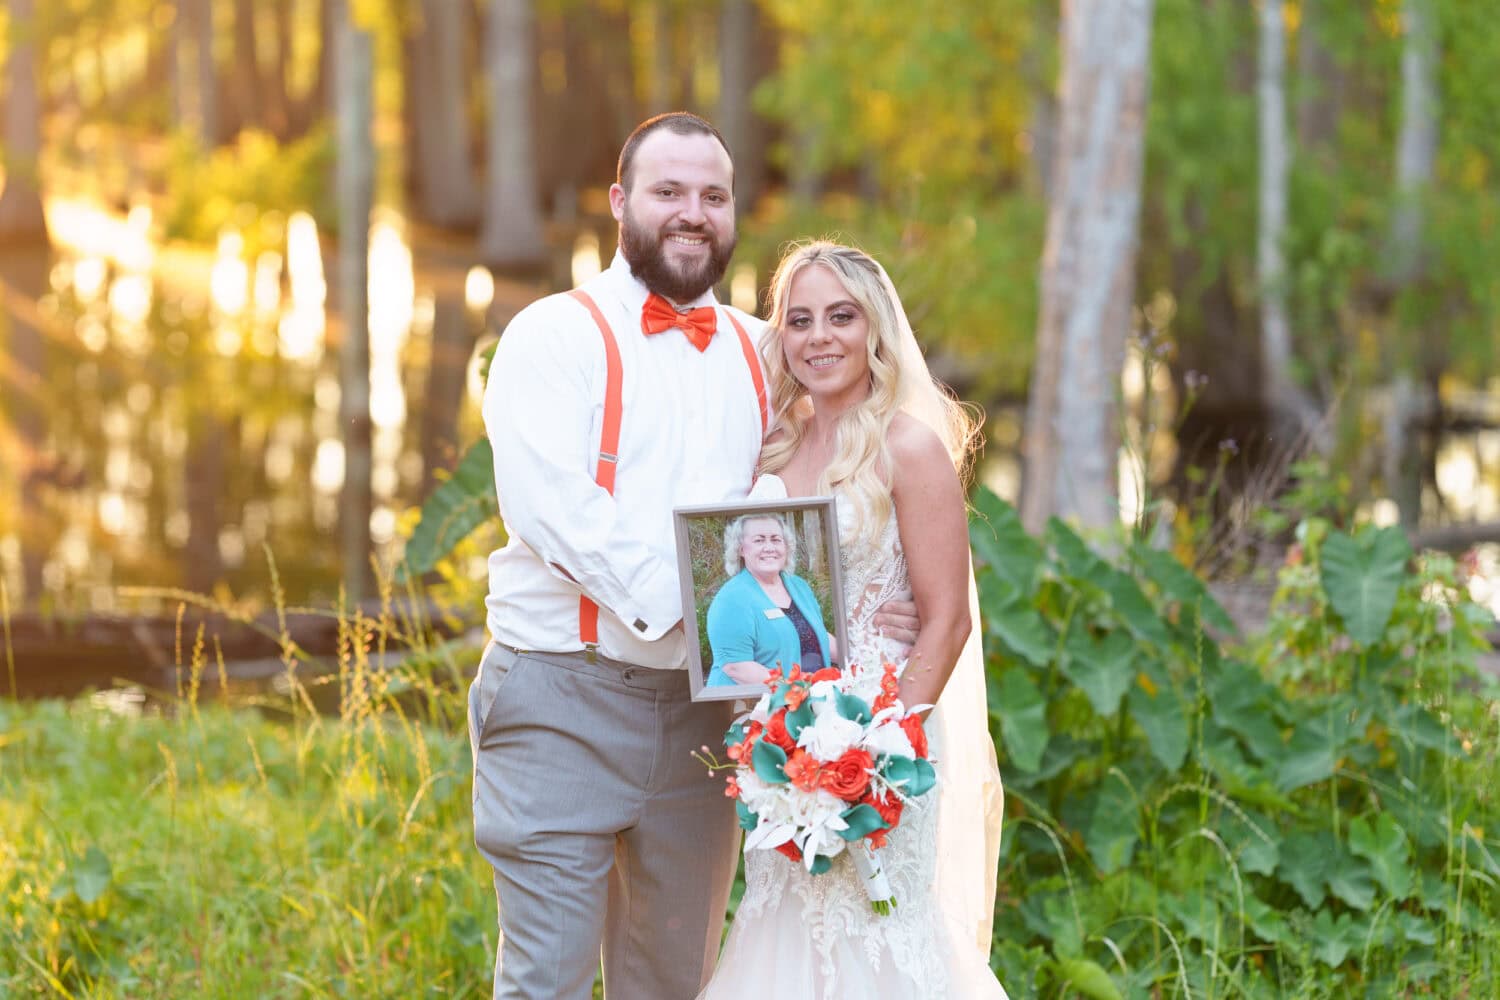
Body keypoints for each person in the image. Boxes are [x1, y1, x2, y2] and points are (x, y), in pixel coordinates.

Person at [469, 115, 920, 1000]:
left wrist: (864, 610)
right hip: (563, 694)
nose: (692, 213)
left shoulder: (766, 353)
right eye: (668, 192)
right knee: (543, 984)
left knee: (674, 984)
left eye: (713, 196)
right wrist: (709, 605)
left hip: (706, 722)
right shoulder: (550, 337)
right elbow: (555, 512)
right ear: (618, 202)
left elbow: (817, 502)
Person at [696, 242, 1008, 999]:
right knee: (781, 924)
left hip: (882, 741)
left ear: (874, 328)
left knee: (879, 926)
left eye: (841, 316)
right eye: (799, 321)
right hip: (783, 745)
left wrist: (876, 753)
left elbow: (948, 623)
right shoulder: (775, 444)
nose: (819, 337)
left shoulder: (909, 447)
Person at [705, 513, 833, 687]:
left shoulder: (799, 586)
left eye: (776, 539)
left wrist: (859, 657)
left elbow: (819, 635)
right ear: (741, 549)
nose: (769, 547)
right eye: (759, 540)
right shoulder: (731, 598)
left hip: (810, 698)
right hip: (751, 705)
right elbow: (736, 668)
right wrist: (795, 690)